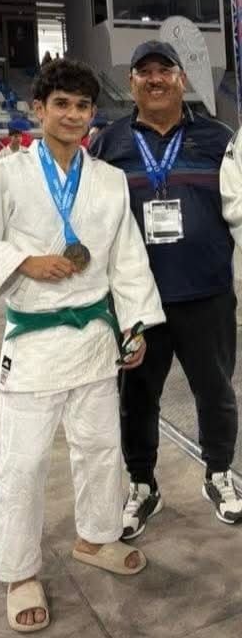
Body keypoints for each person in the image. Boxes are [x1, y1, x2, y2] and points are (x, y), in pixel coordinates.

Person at [0, 58, 165, 633]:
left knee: (100, 448)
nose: (73, 115)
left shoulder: (109, 180)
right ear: (38, 109)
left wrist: (134, 325)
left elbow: (127, 258)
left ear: (93, 114)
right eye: (61, 104)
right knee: (23, 462)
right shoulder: (7, 175)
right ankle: (18, 571)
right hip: (34, 339)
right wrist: (23, 260)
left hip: (94, 336)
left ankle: (96, 537)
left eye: (83, 106)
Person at [92, 39, 242, 534]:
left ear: (182, 79)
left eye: (165, 70)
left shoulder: (219, 138)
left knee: (216, 391)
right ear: (131, 82)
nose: (155, 79)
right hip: (137, 300)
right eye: (144, 71)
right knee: (136, 397)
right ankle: (142, 485)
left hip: (207, 293)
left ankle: (219, 473)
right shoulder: (108, 143)